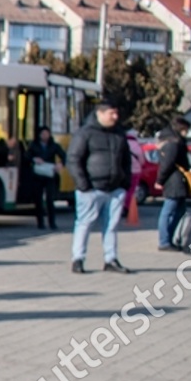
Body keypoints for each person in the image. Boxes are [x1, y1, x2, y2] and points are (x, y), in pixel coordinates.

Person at [68, 101, 135, 274]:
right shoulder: (85, 133)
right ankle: (78, 259)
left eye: (116, 113)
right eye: (112, 113)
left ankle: (110, 259)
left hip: (115, 189)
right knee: (84, 224)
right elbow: (74, 159)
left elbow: (126, 160)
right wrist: (83, 184)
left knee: (111, 226)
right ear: (100, 113)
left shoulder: (119, 134)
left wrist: (124, 182)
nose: (115, 117)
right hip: (91, 189)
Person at [156, 114, 191, 252]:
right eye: (186, 129)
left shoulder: (173, 141)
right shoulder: (174, 143)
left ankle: (169, 239)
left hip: (177, 181)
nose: (187, 132)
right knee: (169, 210)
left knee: (179, 210)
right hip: (174, 181)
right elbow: (167, 164)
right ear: (180, 128)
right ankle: (164, 241)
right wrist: (159, 181)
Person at [26, 126, 64, 231]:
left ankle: (52, 222)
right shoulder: (34, 145)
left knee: (50, 199)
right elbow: (27, 156)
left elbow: (64, 156)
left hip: (49, 174)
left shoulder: (54, 145)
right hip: (38, 175)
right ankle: (40, 223)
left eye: (47, 134)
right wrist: (34, 159)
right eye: (43, 134)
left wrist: (60, 164)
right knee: (38, 200)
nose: (45, 136)